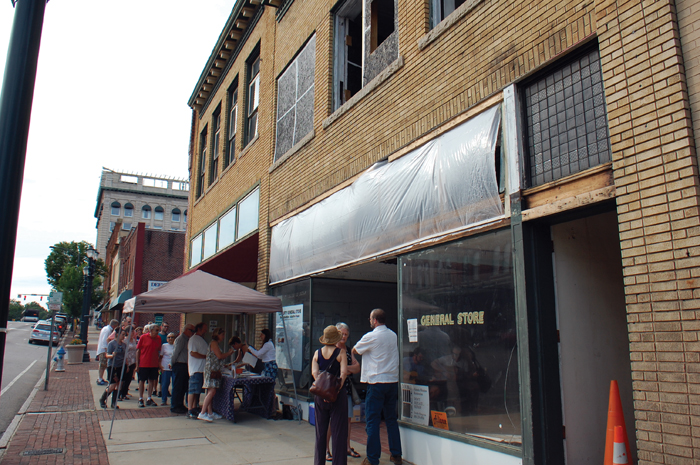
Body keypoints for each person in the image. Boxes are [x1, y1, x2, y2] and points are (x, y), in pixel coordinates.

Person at [353, 309, 402, 465]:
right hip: (392, 381)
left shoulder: (371, 336)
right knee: (391, 419)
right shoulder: (393, 335)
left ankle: (373, 458)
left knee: (372, 420)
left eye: (370, 318)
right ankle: (396, 454)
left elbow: (355, 349)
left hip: (376, 381)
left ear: (374, 320)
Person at [312, 325, 348, 465]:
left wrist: (323, 389)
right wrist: (335, 390)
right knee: (339, 433)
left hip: (320, 396)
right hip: (337, 396)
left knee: (320, 432)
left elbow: (315, 373)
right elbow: (343, 373)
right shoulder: (341, 353)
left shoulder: (317, 353)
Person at [326, 322, 361, 461]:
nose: (344, 336)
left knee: (347, 419)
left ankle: (347, 446)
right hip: (333, 390)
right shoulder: (331, 349)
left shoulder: (348, 349)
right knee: (331, 421)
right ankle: (326, 449)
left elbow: (357, 368)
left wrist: (346, 369)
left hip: (345, 389)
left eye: (346, 334)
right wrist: (346, 369)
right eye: (342, 334)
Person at [198, 328, 235, 422]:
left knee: (210, 391)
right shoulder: (214, 343)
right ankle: (202, 412)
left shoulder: (215, 344)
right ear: (217, 335)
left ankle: (209, 412)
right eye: (222, 335)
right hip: (212, 370)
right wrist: (229, 353)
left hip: (214, 369)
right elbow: (219, 356)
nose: (223, 337)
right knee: (212, 391)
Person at [136, 324, 162, 407]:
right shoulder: (143, 337)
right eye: (156, 330)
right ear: (151, 330)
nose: (158, 332)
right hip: (144, 363)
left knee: (151, 380)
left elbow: (158, 351)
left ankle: (149, 398)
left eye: (158, 330)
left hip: (153, 364)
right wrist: (137, 364)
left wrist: (159, 364)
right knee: (142, 381)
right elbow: (138, 351)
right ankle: (140, 398)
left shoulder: (158, 338)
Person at [100, 328, 126, 409]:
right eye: (122, 334)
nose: (124, 336)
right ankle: (103, 399)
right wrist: (112, 355)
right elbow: (107, 355)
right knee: (112, 385)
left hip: (121, 366)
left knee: (119, 384)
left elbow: (125, 356)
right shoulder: (112, 344)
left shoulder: (124, 345)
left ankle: (114, 402)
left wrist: (127, 365)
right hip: (113, 366)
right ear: (117, 334)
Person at [170, 324, 194, 414]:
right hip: (179, 364)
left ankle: (180, 404)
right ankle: (175, 405)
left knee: (183, 387)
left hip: (185, 365)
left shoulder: (188, 339)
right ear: (186, 330)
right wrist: (172, 364)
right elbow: (175, 353)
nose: (193, 333)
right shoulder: (180, 339)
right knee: (178, 387)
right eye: (192, 330)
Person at [187, 322, 208, 419]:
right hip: (195, 369)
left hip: (201, 369)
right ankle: (190, 409)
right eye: (204, 329)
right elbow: (193, 353)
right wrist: (205, 357)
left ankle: (195, 407)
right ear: (199, 329)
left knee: (197, 390)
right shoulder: (193, 339)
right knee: (192, 390)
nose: (206, 331)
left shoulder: (201, 340)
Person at [96, 319, 119, 385]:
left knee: (103, 365)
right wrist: (107, 350)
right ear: (114, 325)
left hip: (102, 349)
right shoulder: (108, 330)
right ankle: (99, 379)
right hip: (103, 350)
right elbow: (105, 340)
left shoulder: (105, 328)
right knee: (102, 365)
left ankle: (100, 378)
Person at [119, 325, 139, 401]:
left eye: (134, 331)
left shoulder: (133, 340)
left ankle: (125, 392)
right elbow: (125, 352)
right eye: (132, 331)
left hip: (133, 361)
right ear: (128, 332)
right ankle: (122, 393)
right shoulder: (125, 341)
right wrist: (126, 363)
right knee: (124, 378)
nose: (133, 333)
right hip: (127, 361)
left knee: (129, 378)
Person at [159, 332, 175, 406]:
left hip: (174, 367)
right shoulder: (164, 346)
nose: (170, 339)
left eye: (172, 337)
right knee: (165, 384)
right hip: (165, 367)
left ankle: (173, 400)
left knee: (174, 384)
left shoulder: (176, 346)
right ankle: (163, 399)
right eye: (169, 337)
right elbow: (161, 356)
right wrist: (160, 366)